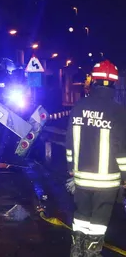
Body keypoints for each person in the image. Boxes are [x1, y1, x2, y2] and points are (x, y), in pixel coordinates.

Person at [66, 60, 126, 257]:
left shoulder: (78, 106)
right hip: (106, 181)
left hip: (81, 177)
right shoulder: (117, 111)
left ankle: (77, 250)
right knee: (100, 218)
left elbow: (69, 142)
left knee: (81, 214)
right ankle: (92, 253)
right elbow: (122, 149)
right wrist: (125, 176)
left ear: (93, 81)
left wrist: (70, 167)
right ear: (114, 84)